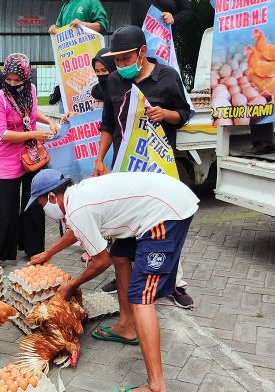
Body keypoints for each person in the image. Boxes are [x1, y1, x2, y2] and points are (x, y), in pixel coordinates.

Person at [27, 169, 199, 392]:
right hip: (154, 203)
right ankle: (127, 327)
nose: (42, 208)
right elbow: (79, 230)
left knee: (142, 297)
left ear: (53, 197)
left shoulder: (77, 207)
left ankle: (156, 391)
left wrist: (69, 286)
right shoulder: (76, 197)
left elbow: (100, 261)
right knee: (120, 255)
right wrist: (49, 253)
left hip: (164, 213)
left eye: (42, 203)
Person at [93, 25, 194, 308]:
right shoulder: (113, 81)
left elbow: (184, 115)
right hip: (126, 167)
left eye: (127, 58)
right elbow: (108, 124)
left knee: (164, 226)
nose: (122, 65)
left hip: (158, 170)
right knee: (125, 225)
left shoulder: (167, 77)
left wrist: (167, 114)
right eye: (118, 60)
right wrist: (101, 159)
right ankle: (123, 275)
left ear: (143, 52)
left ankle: (174, 283)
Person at [0, 53, 58, 264]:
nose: (13, 84)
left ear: (27, 79)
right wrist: (34, 134)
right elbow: (2, 134)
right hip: (8, 160)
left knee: (33, 205)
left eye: (18, 80)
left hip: (32, 158)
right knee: (6, 210)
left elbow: (32, 113)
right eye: (8, 79)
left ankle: (33, 250)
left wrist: (49, 121)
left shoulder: (31, 91)